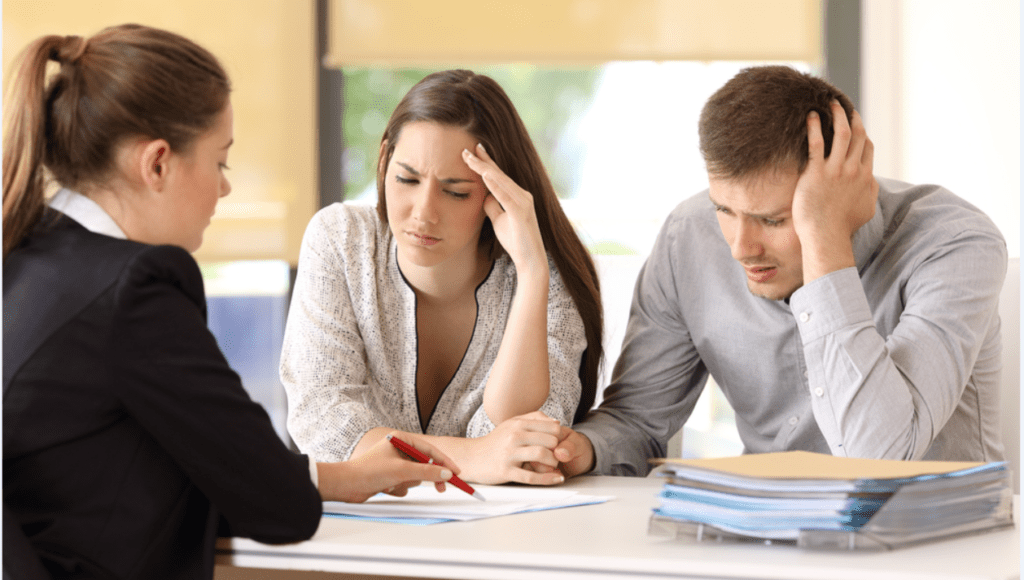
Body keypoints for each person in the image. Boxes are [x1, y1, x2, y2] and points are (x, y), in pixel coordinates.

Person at [2, 24, 459, 580]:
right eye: (220, 162)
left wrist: (344, 475)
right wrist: (307, 481)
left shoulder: (26, 256)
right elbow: (276, 508)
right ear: (157, 164)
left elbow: (149, 467)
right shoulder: (135, 288)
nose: (223, 189)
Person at [552, 65, 1007, 477]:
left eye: (774, 220)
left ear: (848, 183)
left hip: (929, 546)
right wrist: (582, 449)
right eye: (724, 210)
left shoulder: (955, 244)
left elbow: (880, 457)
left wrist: (825, 242)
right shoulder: (687, 237)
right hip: (765, 535)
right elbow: (636, 419)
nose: (740, 249)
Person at [281, 69, 603, 485]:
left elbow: (524, 444)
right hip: (364, 528)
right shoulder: (341, 239)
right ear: (383, 162)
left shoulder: (545, 273)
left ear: (497, 191)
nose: (423, 212)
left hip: (504, 534)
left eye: (456, 191)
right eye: (406, 179)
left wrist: (532, 272)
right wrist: (473, 457)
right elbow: (324, 423)